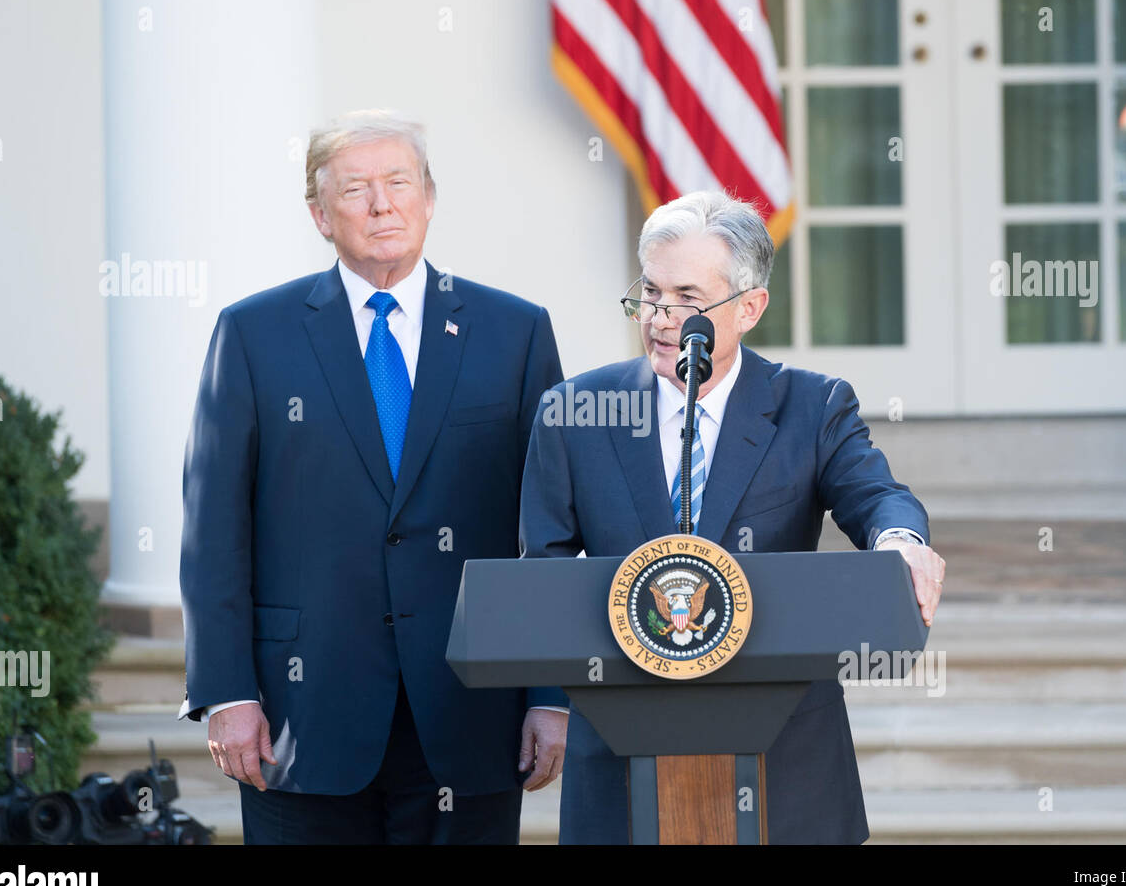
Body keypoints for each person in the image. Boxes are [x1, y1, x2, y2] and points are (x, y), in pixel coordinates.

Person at [177, 109, 567, 844]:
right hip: (302, 713)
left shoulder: (515, 333)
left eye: (399, 182)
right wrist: (225, 691)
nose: (381, 203)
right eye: (356, 189)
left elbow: (544, 532)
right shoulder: (253, 334)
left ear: (428, 197)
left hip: (469, 707)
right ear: (320, 215)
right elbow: (213, 531)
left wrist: (550, 695)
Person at [519, 190, 946, 843]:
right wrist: (548, 700)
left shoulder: (812, 405)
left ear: (750, 307)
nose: (663, 318)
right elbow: (541, 569)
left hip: (784, 757)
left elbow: (876, 496)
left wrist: (901, 540)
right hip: (624, 752)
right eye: (652, 293)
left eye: (689, 299)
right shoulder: (575, 410)